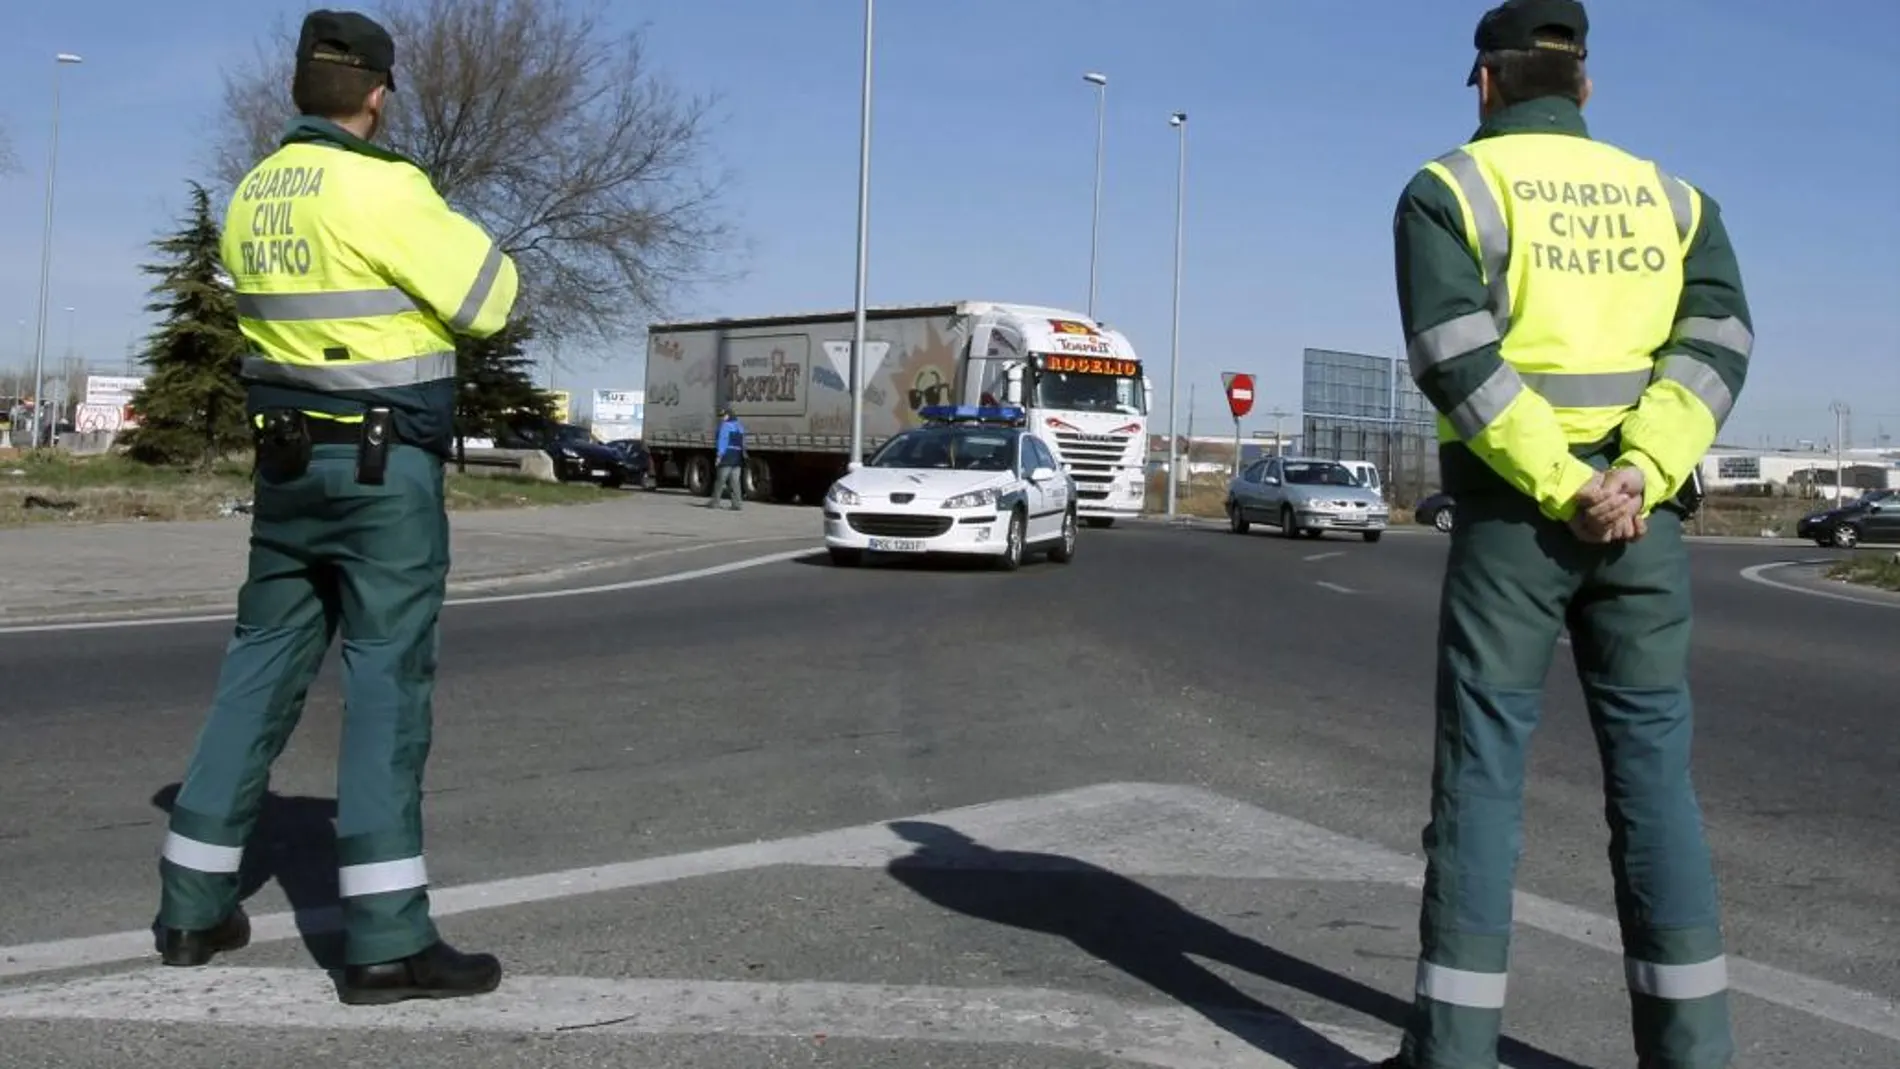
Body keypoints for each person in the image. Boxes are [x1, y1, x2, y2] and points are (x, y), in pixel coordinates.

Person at [1381, 2, 1752, 1066]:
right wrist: (1638, 471)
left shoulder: (1449, 189)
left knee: (1482, 779)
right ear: (1584, 87)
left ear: (1486, 84)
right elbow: (1717, 344)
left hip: (1515, 522)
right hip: (1647, 527)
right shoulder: (1675, 200)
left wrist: (1564, 482)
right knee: (1654, 779)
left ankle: (1451, 1052)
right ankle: (1692, 1054)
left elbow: (1455, 359)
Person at [151, 9, 520, 1006]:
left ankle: (190, 907)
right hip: (379, 469)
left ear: (297, 91)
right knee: (387, 684)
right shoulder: (385, 187)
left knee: (257, 669)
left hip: (284, 472)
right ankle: (388, 943)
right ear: (375, 94)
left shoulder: (252, 193)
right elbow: (491, 299)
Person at [707, 405, 746, 509]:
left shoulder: (725, 426)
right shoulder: (740, 426)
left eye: (723, 416)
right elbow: (743, 443)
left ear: (728, 415)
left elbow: (722, 441)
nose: (722, 418)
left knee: (720, 481)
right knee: (735, 482)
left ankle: (715, 502)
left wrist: (719, 456)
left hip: (727, 457)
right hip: (737, 458)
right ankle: (737, 504)